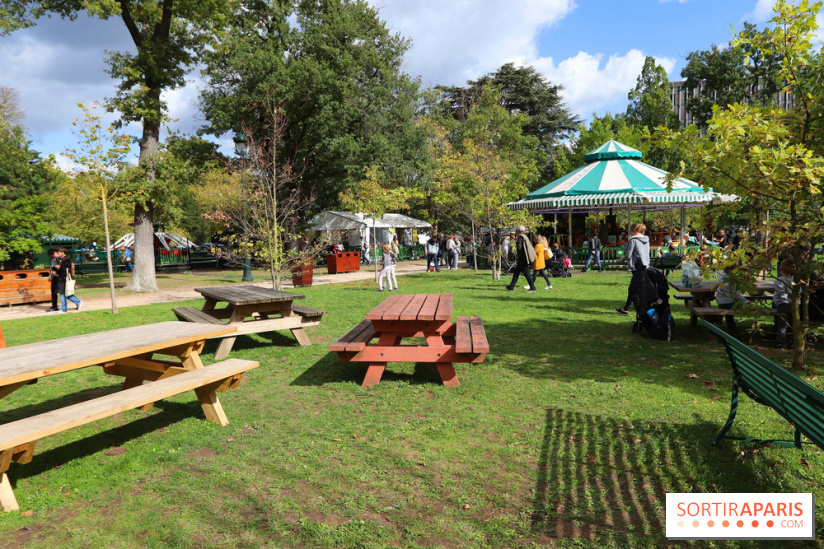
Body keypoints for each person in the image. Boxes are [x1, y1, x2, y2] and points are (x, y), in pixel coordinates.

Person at [615, 223, 650, 315]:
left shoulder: (633, 240)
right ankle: (626, 308)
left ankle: (636, 308)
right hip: (645, 264)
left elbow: (628, 255)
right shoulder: (646, 239)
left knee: (634, 288)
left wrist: (622, 258)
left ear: (634, 231)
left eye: (630, 230)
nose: (630, 232)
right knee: (636, 287)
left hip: (637, 265)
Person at [715, 266, 749, 338]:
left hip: (720, 302)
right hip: (729, 302)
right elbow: (736, 294)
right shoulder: (732, 279)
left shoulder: (721, 275)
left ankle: (731, 330)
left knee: (729, 315)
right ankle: (733, 333)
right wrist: (746, 301)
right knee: (740, 307)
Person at [505, 226, 537, 292]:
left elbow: (519, 248)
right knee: (516, 272)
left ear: (519, 231)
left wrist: (516, 241)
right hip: (524, 258)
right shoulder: (525, 236)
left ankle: (532, 287)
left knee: (527, 273)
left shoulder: (520, 238)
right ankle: (511, 287)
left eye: (517, 230)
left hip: (523, 258)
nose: (516, 231)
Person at [773, 259, 794, 350]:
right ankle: (792, 342)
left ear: (780, 269)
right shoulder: (795, 280)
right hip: (794, 305)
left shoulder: (779, 280)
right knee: (793, 324)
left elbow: (781, 293)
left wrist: (785, 301)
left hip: (783, 305)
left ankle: (780, 343)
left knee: (782, 325)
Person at [54, 248, 82, 312]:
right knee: (64, 293)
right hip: (62, 279)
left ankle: (64, 308)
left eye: (59, 253)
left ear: (62, 252)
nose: (58, 254)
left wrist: (58, 268)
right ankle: (77, 302)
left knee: (63, 293)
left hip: (64, 279)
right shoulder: (62, 260)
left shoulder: (66, 260)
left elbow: (65, 269)